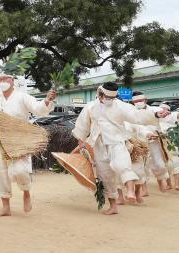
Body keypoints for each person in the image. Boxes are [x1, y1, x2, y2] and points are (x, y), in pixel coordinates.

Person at [72, 82, 171, 215]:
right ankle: (113, 206)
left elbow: (137, 116)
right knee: (105, 175)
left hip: (117, 140)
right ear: (100, 94)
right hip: (99, 144)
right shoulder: (90, 107)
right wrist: (81, 141)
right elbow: (82, 125)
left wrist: (155, 115)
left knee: (122, 164)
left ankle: (130, 192)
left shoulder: (121, 105)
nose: (108, 100)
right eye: (106, 97)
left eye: (111, 98)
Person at [0, 73, 57, 216]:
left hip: (20, 142)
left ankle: (26, 192)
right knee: (1, 176)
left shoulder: (22, 96)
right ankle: (6, 207)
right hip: (1, 143)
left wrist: (47, 100)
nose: (3, 81)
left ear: (12, 81)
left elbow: (38, 108)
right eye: (0, 80)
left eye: (6, 79)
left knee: (20, 171)